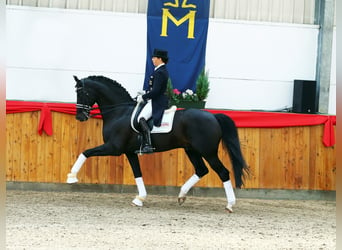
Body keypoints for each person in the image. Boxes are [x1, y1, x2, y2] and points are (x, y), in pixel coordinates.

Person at [136, 48, 169, 154]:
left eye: (154, 57)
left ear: (160, 59)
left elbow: (155, 92)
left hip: (157, 101)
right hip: (155, 99)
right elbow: (152, 89)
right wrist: (144, 93)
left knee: (141, 118)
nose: (152, 59)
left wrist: (144, 97)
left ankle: (148, 145)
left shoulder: (160, 72)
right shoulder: (159, 70)